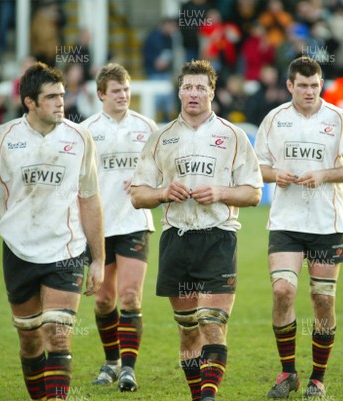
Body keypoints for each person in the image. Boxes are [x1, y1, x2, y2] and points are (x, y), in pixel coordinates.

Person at [0, 62, 105, 401]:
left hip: (66, 251)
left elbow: (89, 200)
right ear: (29, 102)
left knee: (57, 335)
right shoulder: (2, 138)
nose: (61, 102)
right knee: (29, 340)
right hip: (19, 250)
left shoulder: (80, 138)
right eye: (52, 97)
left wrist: (98, 258)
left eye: (62, 95)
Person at [130, 59, 263, 401]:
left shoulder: (232, 136)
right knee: (188, 330)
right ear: (179, 91)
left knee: (212, 323)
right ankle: (197, 395)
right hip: (176, 239)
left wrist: (219, 192)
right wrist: (162, 193)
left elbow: (254, 192)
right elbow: (138, 195)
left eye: (200, 87)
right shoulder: (161, 138)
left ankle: (208, 397)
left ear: (212, 92)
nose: (193, 93)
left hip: (218, 236)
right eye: (188, 86)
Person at [254, 56, 343, 399]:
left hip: (326, 223)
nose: (309, 91)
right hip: (286, 222)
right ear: (290, 86)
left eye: (314, 85)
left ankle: (317, 378)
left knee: (322, 299)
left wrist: (324, 174)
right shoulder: (274, 119)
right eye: (302, 85)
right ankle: (287, 372)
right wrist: (276, 175)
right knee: (282, 292)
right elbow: (256, 168)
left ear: (321, 85)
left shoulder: (338, 119)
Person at [80, 63, 157, 392]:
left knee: (129, 296)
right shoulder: (85, 131)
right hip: (98, 226)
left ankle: (128, 368)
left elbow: (163, 170)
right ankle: (110, 361)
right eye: (116, 91)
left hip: (134, 221)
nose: (123, 95)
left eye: (126, 90)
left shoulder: (147, 127)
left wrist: (145, 180)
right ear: (101, 95)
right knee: (103, 301)